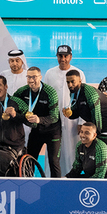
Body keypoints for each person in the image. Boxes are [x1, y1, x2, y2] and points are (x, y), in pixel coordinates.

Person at [12, 67, 62, 177]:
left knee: (54, 162)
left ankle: (57, 186)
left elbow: (54, 117)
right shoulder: (23, 91)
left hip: (53, 131)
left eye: (34, 77)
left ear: (40, 77)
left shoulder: (50, 92)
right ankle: (28, 183)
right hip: (36, 131)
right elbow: (11, 100)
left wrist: (40, 120)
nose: (31, 80)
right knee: (29, 159)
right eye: (28, 77)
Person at [43, 45, 85, 175]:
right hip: (53, 120)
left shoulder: (79, 73)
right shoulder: (49, 74)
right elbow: (44, 97)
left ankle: (71, 178)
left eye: (66, 56)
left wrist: (81, 122)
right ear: (56, 57)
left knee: (71, 150)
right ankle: (51, 178)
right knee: (53, 150)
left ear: (70, 57)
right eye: (60, 56)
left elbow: (83, 99)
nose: (63, 59)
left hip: (73, 121)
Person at [64, 70, 107, 145]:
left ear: (80, 81)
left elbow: (97, 121)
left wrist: (93, 141)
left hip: (106, 132)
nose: (70, 85)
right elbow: (77, 112)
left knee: (99, 152)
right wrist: (70, 114)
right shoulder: (74, 92)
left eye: (72, 82)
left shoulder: (91, 95)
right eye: (68, 82)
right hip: (96, 130)